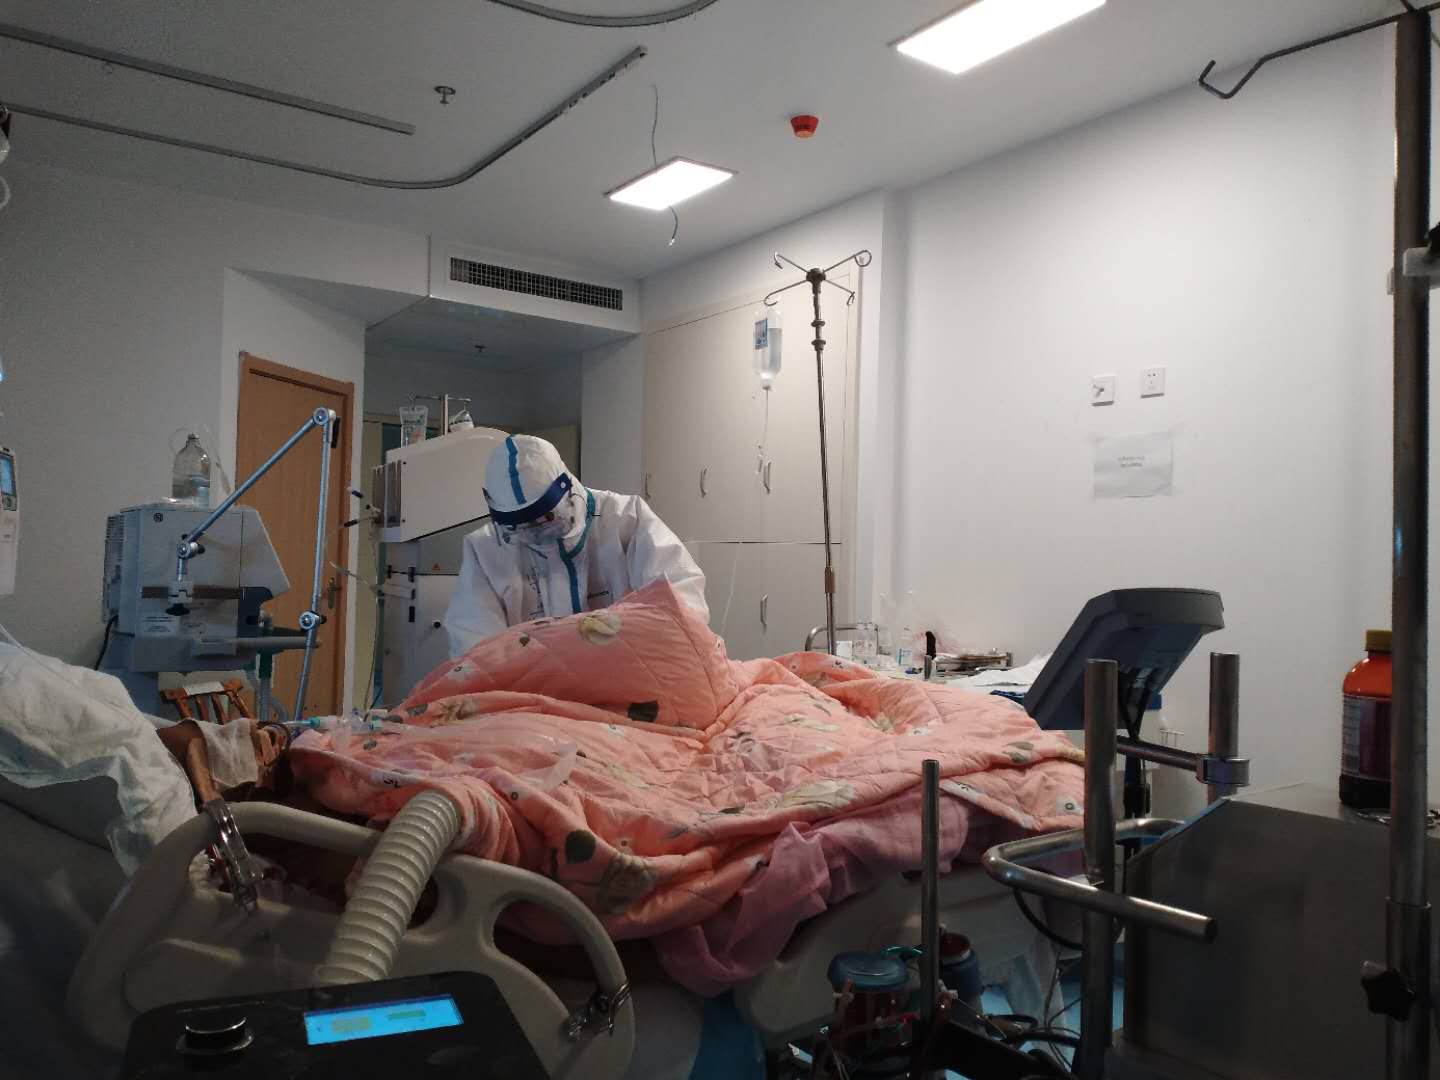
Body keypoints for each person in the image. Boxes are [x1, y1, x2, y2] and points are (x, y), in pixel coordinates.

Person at [443, 434, 709, 656]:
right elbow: (475, 648)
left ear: (568, 489)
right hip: (533, 686)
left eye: (546, 520)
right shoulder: (485, 549)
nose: (536, 536)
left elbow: (681, 606)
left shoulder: (627, 519)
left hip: (626, 675)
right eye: (519, 528)